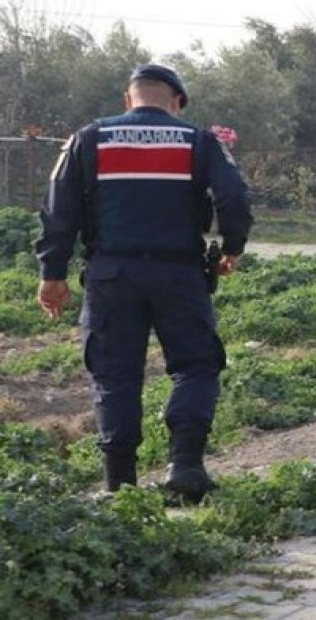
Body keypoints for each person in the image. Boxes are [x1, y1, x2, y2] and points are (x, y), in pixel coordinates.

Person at [35, 64, 254, 502]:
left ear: (128, 98)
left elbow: (60, 210)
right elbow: (234, 196)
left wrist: (52, 273)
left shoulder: (88, 138)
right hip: (181, 274)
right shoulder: (197, 140)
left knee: (116, 376)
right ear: (176, 102)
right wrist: (232, 247)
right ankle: (185, 468)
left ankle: (121, 486)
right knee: (195, 366)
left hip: (111, 275)